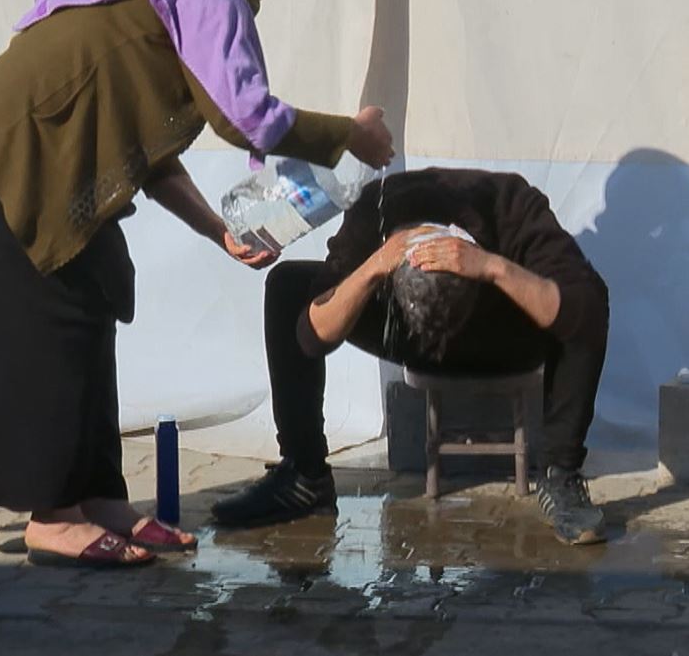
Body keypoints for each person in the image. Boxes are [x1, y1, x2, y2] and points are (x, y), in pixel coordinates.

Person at [0, 0, 394, 568]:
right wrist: (348, 136)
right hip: (20, 149)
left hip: (58, 151)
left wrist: (217, 227)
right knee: (49, 326)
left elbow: (142, 146)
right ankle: (53, 516)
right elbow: (247, 115)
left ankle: (100, 499)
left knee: (91, 307)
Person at [210, 167, 611, 545]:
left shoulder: (511, 204)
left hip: (499, 336)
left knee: (584, 302)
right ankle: (304, 475)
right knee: (289, 287)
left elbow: (585, 305)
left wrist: (492, 268)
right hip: (400, 330)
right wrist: (374, 267)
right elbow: (312, 339)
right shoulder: (377, 206)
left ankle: (561, 474)